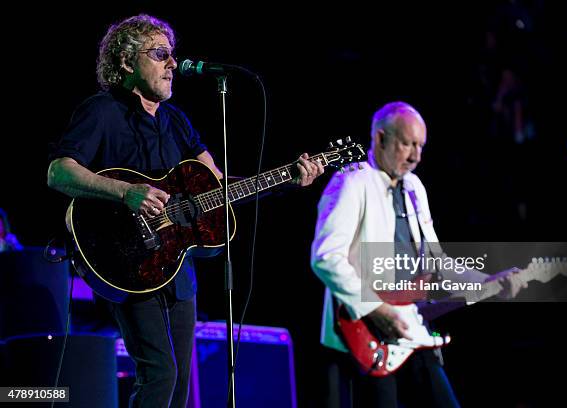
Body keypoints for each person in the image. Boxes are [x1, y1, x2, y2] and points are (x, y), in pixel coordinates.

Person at [47, 14, 323, 407]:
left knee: (180, 386)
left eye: (172, 55)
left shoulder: (176, 121)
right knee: (160, 374)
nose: (173, 64)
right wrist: (126, 191)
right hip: (125, 258)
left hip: (177, 268)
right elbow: (59, 171)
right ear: (127, 62)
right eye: (160, 54)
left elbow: (220, 186)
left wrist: (288, 179)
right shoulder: (101, 112)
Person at [311, 101, 525, 407]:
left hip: (413, 328)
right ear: (380, 138)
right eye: (407, 144)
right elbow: (325, 256)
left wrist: (489, 282)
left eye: (421, 146)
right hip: (366, 335)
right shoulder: (352, 181)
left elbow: (436, 263)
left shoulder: (414, 187)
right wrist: (376, 309)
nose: (415, 156)